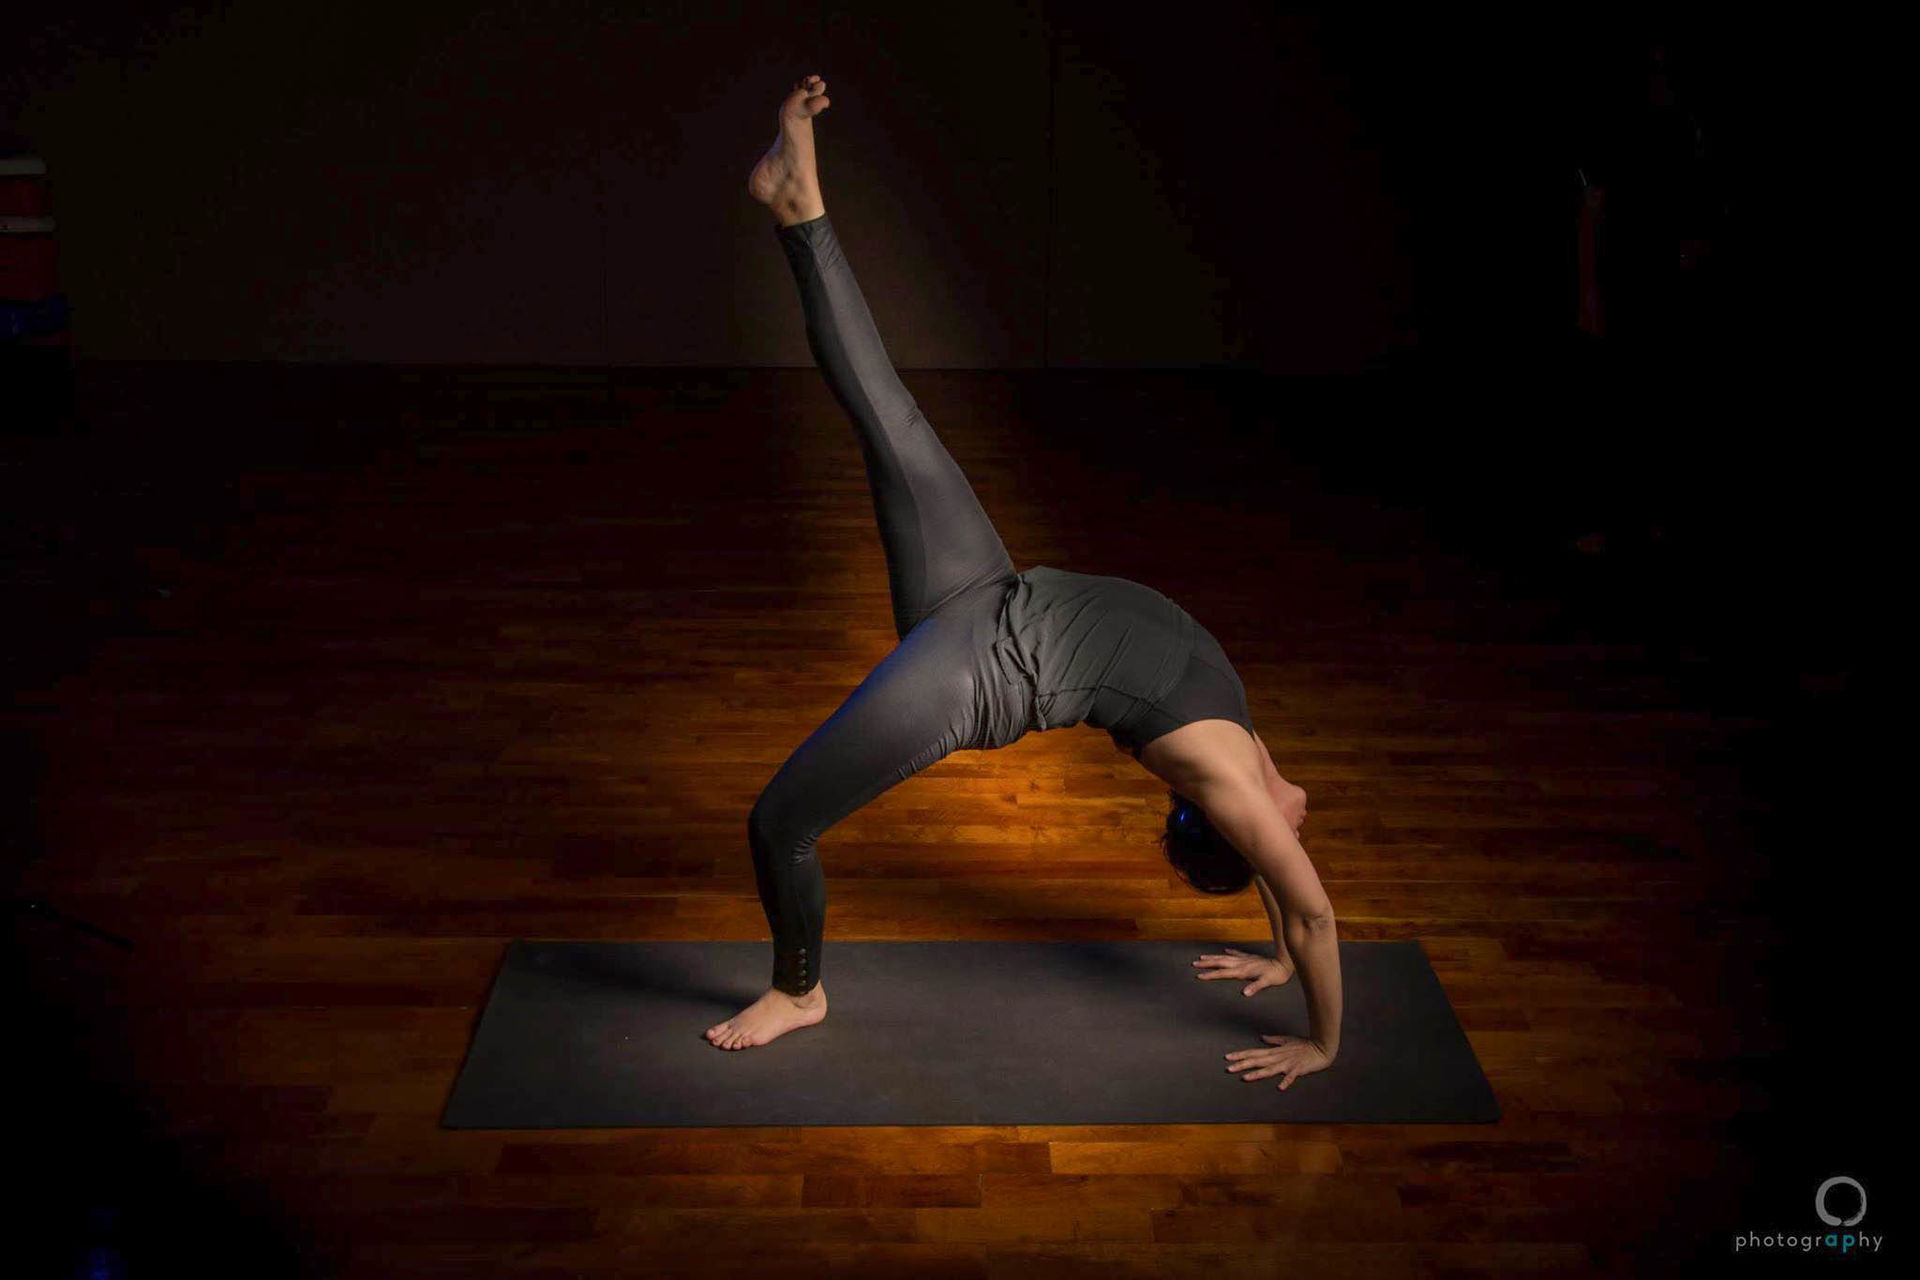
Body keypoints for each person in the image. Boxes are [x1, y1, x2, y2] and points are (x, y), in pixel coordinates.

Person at [710, 75, 1341, 1091]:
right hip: (985, 587)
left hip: (975, 673)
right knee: (886, 408)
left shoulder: (1232, 776)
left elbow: (1309, 905)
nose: (1294, 826)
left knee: (779, 820)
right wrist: (1274, 953)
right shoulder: (1248, 752)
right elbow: (1286, 890)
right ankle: (801, 209)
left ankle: (799, 987)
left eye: (1270, 836)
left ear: (1235, 823)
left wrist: (1321, 1040)